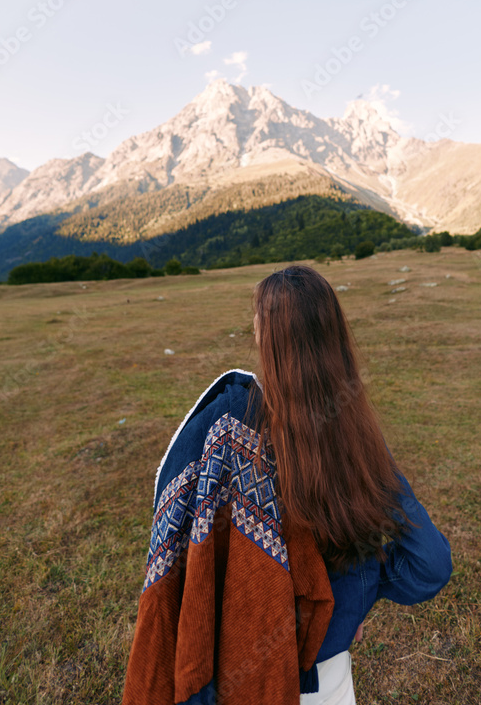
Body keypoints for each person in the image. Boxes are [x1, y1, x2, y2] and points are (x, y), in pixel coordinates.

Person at [121, 265, 451, 705]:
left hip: (254, 680)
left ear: (271, 341)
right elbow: (430, 565)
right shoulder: (358, 438)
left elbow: (195, 553)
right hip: (333, 683)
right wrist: (363, 589)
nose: (254, 327)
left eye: (259, 319)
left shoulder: (237, 433)